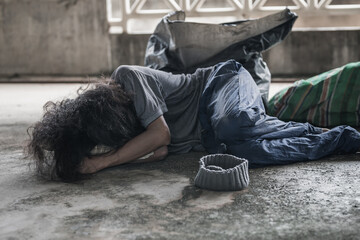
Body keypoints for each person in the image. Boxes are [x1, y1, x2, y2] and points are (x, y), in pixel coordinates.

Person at [27, 60, 360, 182]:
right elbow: (157, 153)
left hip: (221, 84)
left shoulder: (125, 78)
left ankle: (308, 129)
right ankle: (343, 138)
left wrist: (103, 164)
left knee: (234, 123)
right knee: (247, 156)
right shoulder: (111, 130)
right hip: (212, 136)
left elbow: (159, 137)